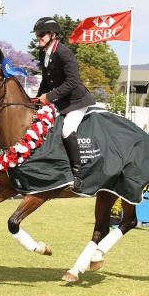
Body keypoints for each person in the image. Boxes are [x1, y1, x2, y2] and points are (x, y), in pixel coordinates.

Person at [32, 17, 95, 192]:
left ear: (53, 35)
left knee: (67, 130)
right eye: (37, 35)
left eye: (41, 34)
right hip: (60, 100)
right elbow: (46, 81)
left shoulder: (64, 53)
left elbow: (73, 82)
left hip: (76, 101)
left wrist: (50, 97)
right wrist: (37, 100)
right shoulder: (43, 53)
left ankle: (77, 175)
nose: (38, 38)